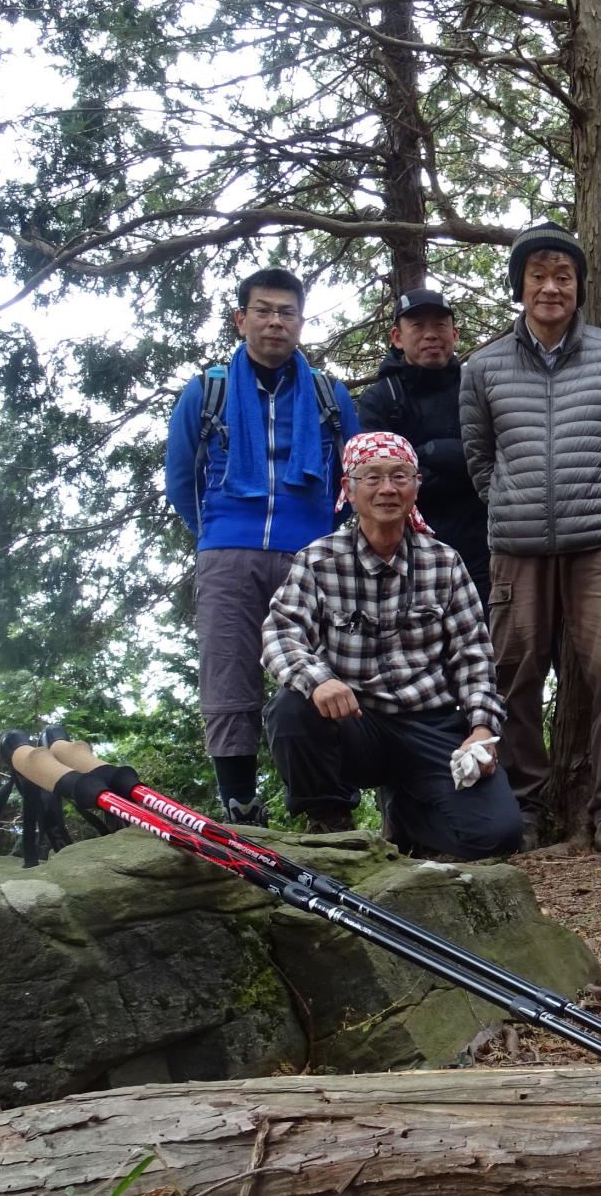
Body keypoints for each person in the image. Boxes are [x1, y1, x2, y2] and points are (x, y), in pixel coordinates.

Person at [460, 221, 601, 853]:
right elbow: (478, 456)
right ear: (519, 286)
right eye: (538, 276)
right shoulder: (483, 366)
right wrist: (511, 502)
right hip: (516, 547)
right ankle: (523, 803)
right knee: (513, 674)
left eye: (563, 276)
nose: (551, 287)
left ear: (578, 287)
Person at [261, 432, 521, 860]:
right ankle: (329, 821)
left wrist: (480, 730)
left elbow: (473, 656)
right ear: (349, 488)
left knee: (497, 835)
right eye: (372, 477)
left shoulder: (443, 562)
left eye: (399, 476)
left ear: (415, 485)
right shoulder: (319, 559)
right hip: (355, 723)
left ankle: (408, 814)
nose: (387, 488)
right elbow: (280, 633)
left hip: (431, 725)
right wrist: (320, 681)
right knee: (292, 706)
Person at [165, 267, 361, 825]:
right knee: (227, 671)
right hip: (227, 550)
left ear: (301, 323)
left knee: (323, 669)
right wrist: (214, 535)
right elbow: (182, 479)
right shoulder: (208, 391)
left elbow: (354, 473)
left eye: (287, 312)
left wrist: (328, 536)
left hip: (310, 555)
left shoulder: (328, 394)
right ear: (241, 318)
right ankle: (240, 803)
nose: (275, 321)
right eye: (263, 310)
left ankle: (326, 805)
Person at [357, 288, 491, 600]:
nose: (430, 335)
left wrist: (422, 453)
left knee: (484, 644)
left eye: (440, 325)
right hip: (407, 551)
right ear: (397, 337)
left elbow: (493, 463)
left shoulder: (479, 388)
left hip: (482, 550)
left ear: (455, 334)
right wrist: (460, 463)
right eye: (418, 326)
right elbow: (380, 479)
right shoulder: (380, 399)